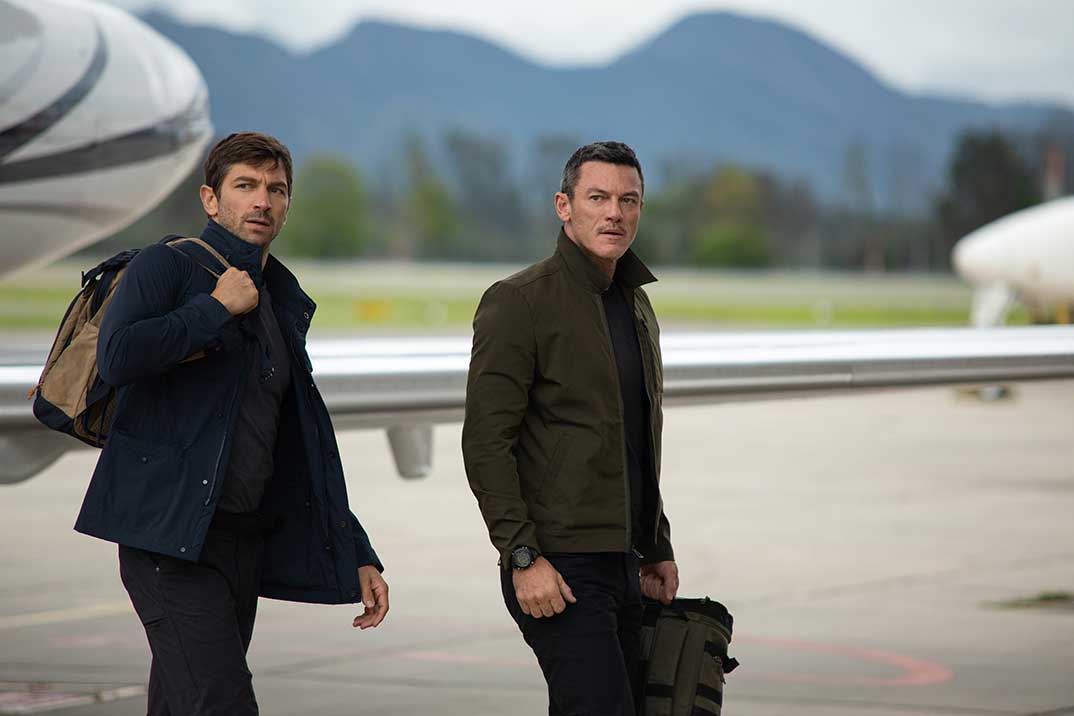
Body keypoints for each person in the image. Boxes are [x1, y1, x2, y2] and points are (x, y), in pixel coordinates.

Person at [75, 131, 388, 715]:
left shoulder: (277, 297)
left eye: (276, 189)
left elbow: (296, 444)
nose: (262, 201)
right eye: (245, 186)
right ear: (211, 199)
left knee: (185, 701)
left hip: (239, 540)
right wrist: (214, 308)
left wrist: (356, 548)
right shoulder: (165, 265)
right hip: (168, 540)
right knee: (221, 702)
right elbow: (117, 357)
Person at [462, 141, 678, 715]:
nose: (615, 213)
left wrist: (655, 543)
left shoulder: (636, 305)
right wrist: (522, 556)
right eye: (598, 198)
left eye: (628, 200)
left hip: (624, 560)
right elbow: (485, 444)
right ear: (564, 206)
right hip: (556, 564)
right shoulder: (518, 301)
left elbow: (637, 439)